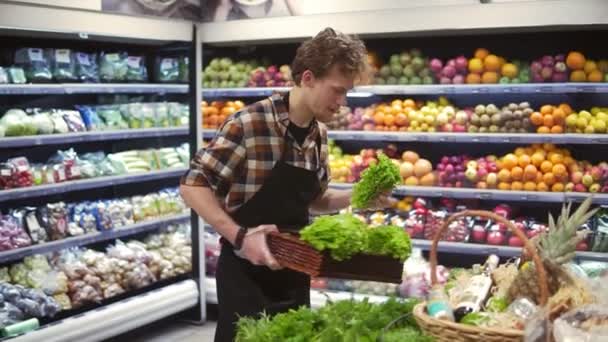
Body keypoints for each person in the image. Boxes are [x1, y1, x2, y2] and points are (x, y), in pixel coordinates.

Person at [180, 27, 393, 342]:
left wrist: (358, 196)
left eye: (346, 92)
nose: (342, 101)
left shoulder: (317, 134)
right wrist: (240, 237)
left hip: (295, 272)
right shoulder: (250, 124)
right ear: (308, 78)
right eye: (337, 90)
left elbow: (314, 199)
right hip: (245, 277)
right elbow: (192, 185)